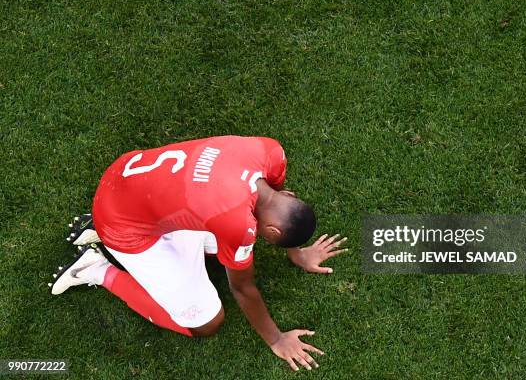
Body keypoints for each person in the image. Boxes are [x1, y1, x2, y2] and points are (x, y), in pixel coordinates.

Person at [49, 135, 347, 371]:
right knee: (206, 323)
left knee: (218, 240)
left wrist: (297, 253)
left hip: (127, 180)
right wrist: (277, 339)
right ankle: (93, 268)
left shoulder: (271, 154)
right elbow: (242, 288)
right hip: (126, 228)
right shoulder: (236, 223)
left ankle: (99, 226)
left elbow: (279, 215)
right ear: (272, 233)